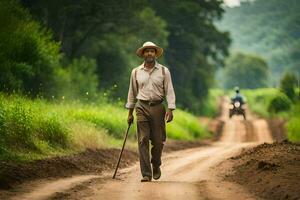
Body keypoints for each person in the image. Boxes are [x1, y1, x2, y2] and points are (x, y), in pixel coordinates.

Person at [126, 41, 176, 182]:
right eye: (147, 51)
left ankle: (156, 164)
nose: (149, 53)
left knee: (158, 141)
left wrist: (171, 109)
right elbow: (132, 92)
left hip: (158, 107)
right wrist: (130, 113)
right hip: (141, 106)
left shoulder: (163, 71)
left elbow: (169, 90)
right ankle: (146, 173)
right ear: (143, 54)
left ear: (155, 54)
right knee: (142, 140)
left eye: (152, 51)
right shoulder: (136, 72)